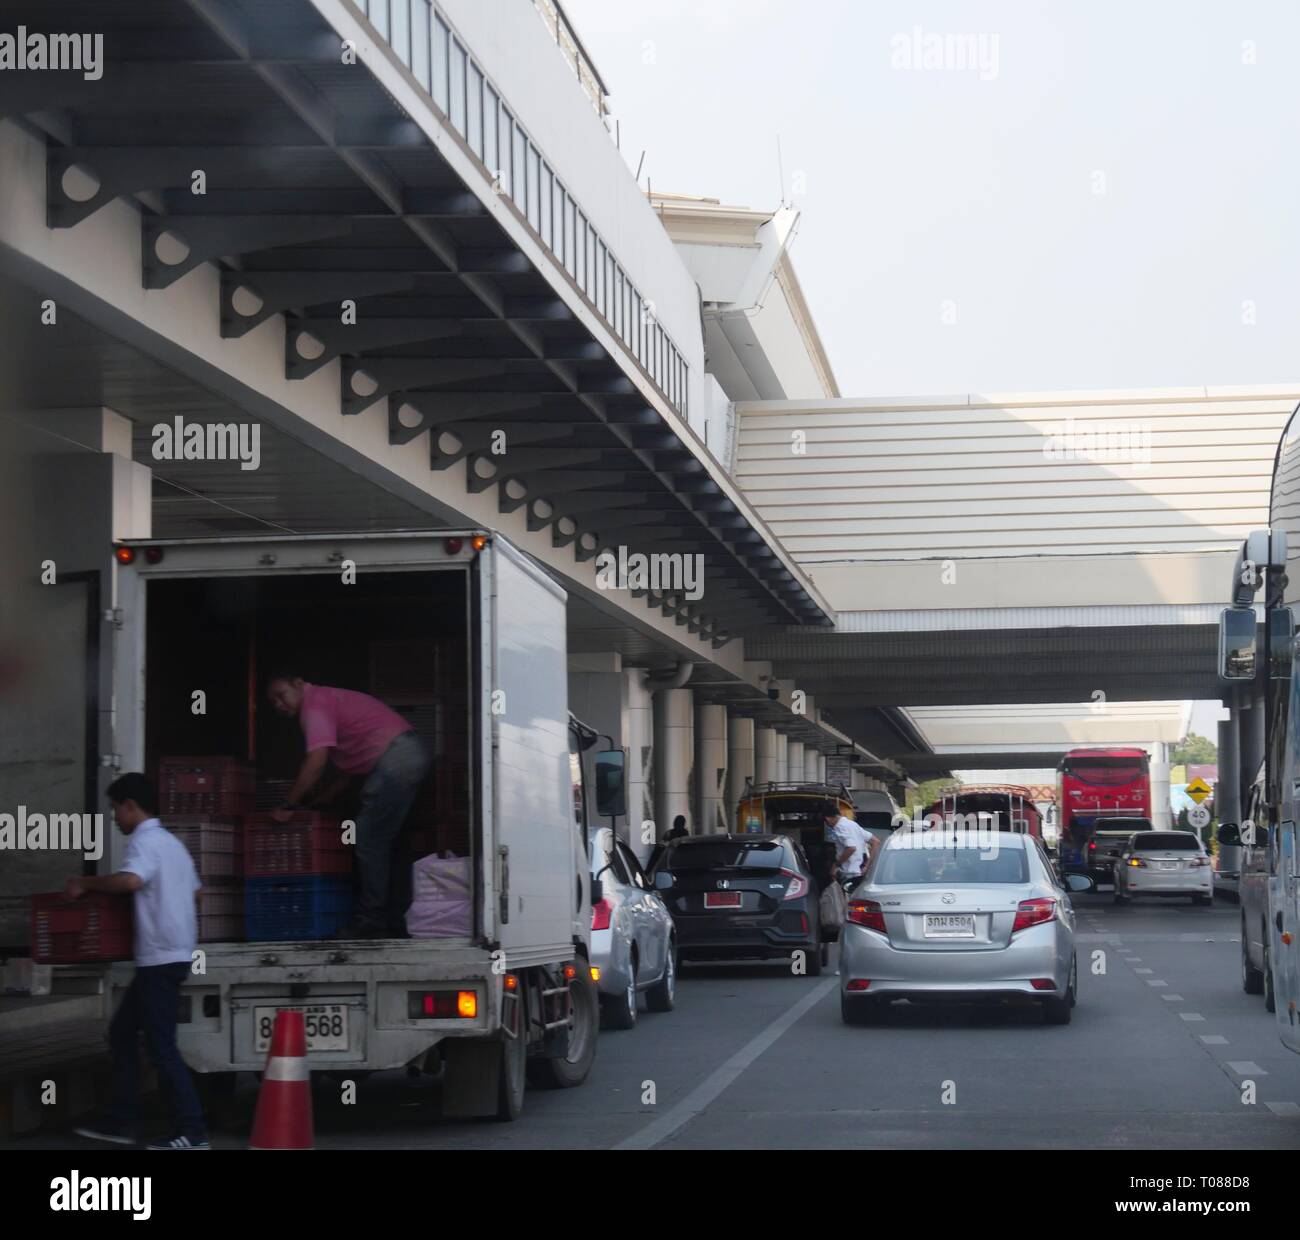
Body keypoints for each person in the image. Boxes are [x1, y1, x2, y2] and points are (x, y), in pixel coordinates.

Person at [71, 772, 208, 1150]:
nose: (115, 818)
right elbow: (197, 894)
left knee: (162, 1047)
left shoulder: (145, 841)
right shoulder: (173, 845)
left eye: (116, 809)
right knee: (122, 1033)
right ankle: (121, 1119)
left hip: (160, 958)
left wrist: (87, 884)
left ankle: (192, 1132)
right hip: (172, 954)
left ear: (131, 806)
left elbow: (130, 882)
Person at [266, 670, 430, 938]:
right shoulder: (331, 699)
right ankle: (396, 920)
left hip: (397, 759)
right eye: (274, 703)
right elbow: (352, 768)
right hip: (409, 754)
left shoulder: (314, 705)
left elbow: (316, 762)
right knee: (393, 843)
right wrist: (325, 798)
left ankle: (371, 920)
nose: (279, 704)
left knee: (368, 838)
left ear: (298, 684)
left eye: (281, 695)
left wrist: (287, 805)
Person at [822, 802, 875, 889]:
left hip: (848, 873)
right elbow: (875, 842)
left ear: (827, 819)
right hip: (859, 872)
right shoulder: (853, 825)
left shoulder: (839, 827)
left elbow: (851, 848)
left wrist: (836, 865)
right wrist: (866, 865)